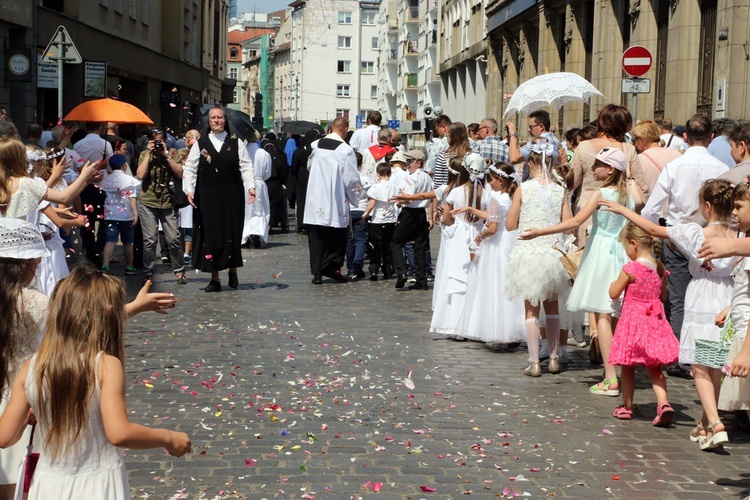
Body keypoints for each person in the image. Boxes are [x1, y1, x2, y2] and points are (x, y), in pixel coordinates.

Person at [0, 264, 191, 498]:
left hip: (47, 484)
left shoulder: (31, 367)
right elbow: (119, 432)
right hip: (98, 484)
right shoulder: (106, 365)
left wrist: (34, 409)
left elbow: (5, 436)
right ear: (108, 315)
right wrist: (169, 438)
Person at [601, 179, 736, 447]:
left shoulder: (695, 233)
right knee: (716, 364)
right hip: (728, 296)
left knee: (699, 366)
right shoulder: (740, 236)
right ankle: (705, 422)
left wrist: (621, 209)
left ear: (707, 206)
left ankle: (715, 421)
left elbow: (652, 228)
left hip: (702, 297)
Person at [521, 147, 632, 391]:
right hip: (621, 251)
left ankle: (611, 376)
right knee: (614, 314)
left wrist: (540, 231)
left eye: (598, 165)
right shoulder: (627, 195)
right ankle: (611, 370)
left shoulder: (601, 193)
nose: (592, 169)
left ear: (610, 169)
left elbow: (574, 222)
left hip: (602, 253)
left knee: (602, 313)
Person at [641, 114, 729, 378]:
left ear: (686, 137)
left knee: (679, 299)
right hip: (712, 236)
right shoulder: (720, 167)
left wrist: (662, 234)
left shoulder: (676, 166)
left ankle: (682, 357)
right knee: (713, 299)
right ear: (711, 137)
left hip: (679, 237)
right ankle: (710, 357)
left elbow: (651, 209)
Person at [505, 139, 570, 377]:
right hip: (552, 253)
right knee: (552, 308)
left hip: (529, 254)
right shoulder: (560, 189)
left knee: (531, 311)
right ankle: (553, 358)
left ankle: (534, 362)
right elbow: (568, 225)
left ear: (530, 162)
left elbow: (510, 224)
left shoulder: (524, 189)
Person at [606, 222, 679, 425]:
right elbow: (664, 297)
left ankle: (627, 406)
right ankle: (663, 403)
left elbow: (613, 293)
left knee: (627, 365)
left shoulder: (631, 268)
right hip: (654, 323)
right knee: (654, 366)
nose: (627, 252)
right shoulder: (660, 268)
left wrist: (613, 284)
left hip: (632, 323)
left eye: (626, 248)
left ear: (634, 243)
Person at [0, 219, 49, 498]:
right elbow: (76, 329)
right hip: (21, 399)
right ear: (24, 264)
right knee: (19, 480)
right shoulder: (34, 302)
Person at [182, 109, 256, 291]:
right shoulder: (201, 143)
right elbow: (190, 168)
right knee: (211, 234)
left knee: (231, 232)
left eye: (219, 118)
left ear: (225, 120)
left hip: (231, 193)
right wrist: (189, 190)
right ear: (209, 121)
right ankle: (215, 278)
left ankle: (233, 270)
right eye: (213, 118)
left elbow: (246, 166)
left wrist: (251, 186)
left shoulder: (236, 142)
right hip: (208, 194)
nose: (216, 121)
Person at [453, 162, 524, 346]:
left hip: (496, 245)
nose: (489, 183)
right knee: (509, 287)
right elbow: (493, 216)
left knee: (494, 286)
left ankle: (496, 331)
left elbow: (492, 227)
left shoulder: (495, 198)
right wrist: (470, 209)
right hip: (510, 241)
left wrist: (479, 236)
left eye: (491, 179)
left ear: (500, 180)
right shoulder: (512, 197)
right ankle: (512, 330)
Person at [569, 105, 649, 243]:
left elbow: (573, 182)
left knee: (584, 256)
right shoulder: (628, 149)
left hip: (586, 210)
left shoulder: (583, 147)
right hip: (617, 212)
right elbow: (642, 184)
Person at [429, 153, 487, 335]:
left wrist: (451, 217)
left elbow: (446, 219)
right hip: (478, 235)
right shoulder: (486, 194)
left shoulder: (455, 192)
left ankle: (455, 323)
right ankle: (474, 324)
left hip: (459, 237)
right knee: (475, 278)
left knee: (455, 277)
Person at [303, 117, 361, 284]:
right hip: (334, 197)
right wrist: (356, 197)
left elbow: (309, 167)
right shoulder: (345, 150)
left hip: (315, 196)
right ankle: (332, 267)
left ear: (330, 129)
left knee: (316, 235)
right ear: (344, 129)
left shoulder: (316, 146)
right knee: (336, 234)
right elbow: (350, 178)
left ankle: (317, 274)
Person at [0, 137, 100, 220]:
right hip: (23, 238)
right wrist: (83, 176)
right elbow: (64, 198)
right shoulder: (25, 183)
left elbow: (37, 204)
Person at [136, 128, 188, 285]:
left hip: (167, 201)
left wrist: (165, 154)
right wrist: (148, 153)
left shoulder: (172, 153)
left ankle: (179, 271)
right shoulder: (145, 154)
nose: (158, 143)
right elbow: (140, 174)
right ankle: (148, 272)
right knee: (150, 240)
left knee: (174, 238)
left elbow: (179, 173)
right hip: (147, 201)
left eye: (160, 140)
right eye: (154, 141)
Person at [390, 149, 433, 290]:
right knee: (419, 246)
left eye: (410, 161)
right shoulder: (427, 177)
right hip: (421, 213)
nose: (407, 164)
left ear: (418, 163)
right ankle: (421, 279)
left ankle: (401, 272)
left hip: (409, 213)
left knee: (396, 242)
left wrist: (399, 200)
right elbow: (430, 196)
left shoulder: (412, 178)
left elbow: (407, 198)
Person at [99, 154, 141, 274]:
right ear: (123, 165)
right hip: (126, 215)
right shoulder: (129, 180)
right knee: (128, 242)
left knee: (110, 240)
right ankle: (129, 266)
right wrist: (135, 214)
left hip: (110, 214)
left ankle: (105, 265)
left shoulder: (106, 179)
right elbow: (132, 198)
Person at [361, 163, 398, 280]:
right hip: (391, 219)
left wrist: (364, 216)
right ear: (390, 174)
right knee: (388, 246)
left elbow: (372, 204)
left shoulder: (375, 188)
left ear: (378, 174)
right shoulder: (394, 187)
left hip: (377, 220)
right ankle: (387, 269)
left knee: (375, 246)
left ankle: (374, 269)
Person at [629, 120, 681, 192]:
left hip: (652, 202)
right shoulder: (677, 155)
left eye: (635, 139)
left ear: (643, 139)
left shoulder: (639, 159)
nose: (634, 144)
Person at [242, 137, 272, 248]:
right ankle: (257, 233)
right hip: (259, 183)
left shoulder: (242, 152)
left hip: (245, 184)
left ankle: (246, 235)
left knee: (246, 211)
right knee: (261, 210)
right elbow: (268, 172)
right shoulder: (264, 153)